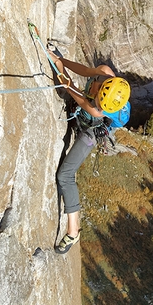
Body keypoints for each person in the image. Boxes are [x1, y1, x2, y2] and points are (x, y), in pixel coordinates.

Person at [47, 47, 131, 254]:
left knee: (65, 175)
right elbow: (84, 71)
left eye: (100, 104)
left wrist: (58, 65)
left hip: (92, 132)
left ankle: (73, 232)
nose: (96, 100)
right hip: (85, 119)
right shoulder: (104, 72)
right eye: (96, 95)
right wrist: (61, 59)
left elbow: (70, 88)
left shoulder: (96, 109)